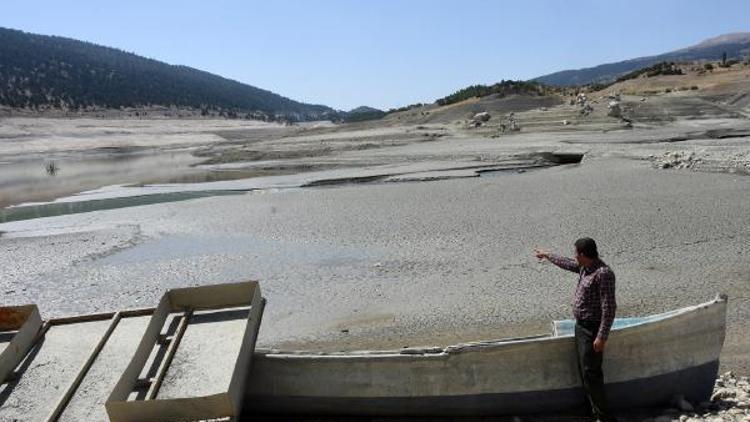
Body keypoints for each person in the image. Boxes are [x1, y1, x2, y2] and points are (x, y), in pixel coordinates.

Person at [534, 238, 617, 422]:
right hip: (581, 327)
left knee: (592, 373)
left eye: (576, 253)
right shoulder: (584, 268)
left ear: (582, 254)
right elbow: (567, 263)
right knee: (584, 372)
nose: (574, 257)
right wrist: (547, 255)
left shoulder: (603, 274)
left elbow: (609, 308)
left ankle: (604, 417)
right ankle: (592, 412)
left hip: (592, 330)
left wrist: (602, 337)